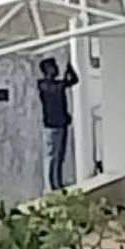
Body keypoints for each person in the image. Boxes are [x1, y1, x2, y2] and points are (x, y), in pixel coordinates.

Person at [37, 56, 79, 191]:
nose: (56, 69)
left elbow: (74, 80)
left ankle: (57, 183)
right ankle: (51, 186)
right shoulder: (44, 85)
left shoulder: (55, 84)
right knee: (51, 156)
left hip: (61, 124)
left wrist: (70, 69)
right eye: (53, 67)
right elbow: (58, 88)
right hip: (52, 126)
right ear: (47, 69)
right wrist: (66, 78)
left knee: (59, 156)